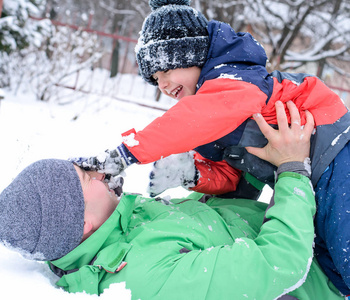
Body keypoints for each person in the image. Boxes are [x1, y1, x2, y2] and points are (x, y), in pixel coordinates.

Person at [70, 0, 350, 295]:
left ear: (192, 55)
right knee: (329, 257)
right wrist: (192, 174)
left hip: (332, 150)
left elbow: (189, 120)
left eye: (165, 71)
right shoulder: (211, 118)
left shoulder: (232, 80)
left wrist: (125, 154)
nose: (162, 85)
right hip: (302, 169)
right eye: (154, 79)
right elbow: (229, 175)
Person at [0, 102, 344, 299]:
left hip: (310, 226)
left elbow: (216, 229)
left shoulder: (124, 223)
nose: (100, 172)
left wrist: (230, 169)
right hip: (328, 271)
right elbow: (279, 264)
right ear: (81, 223)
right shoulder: (146, 279)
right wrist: (292, 167)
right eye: (86, 177)